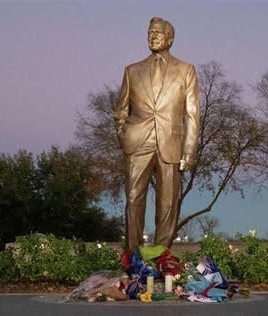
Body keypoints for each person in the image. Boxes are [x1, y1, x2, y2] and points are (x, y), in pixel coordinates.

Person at [114, 17, 200, 256]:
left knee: (168, 205)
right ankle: (133, 260)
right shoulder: (132, 71)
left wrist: (189, 150)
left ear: (170, 38)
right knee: (133, 201)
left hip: (171, 144)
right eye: (150, 32)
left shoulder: (186, 70)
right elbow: (120, 111)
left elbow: (192, 114)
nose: (153, 36)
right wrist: (124, 135)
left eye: (158, 33)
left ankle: (161, 259)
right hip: (137, 142)